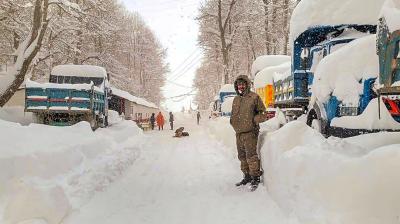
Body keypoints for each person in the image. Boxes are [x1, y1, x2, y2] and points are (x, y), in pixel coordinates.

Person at [230, 75, 267, 190]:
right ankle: (246, 176)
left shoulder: (254, 97)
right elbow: (233, 114)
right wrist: (232, 122)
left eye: (242, 84)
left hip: (250, 132)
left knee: (251, 156)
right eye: (238, 85)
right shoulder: (236, 99)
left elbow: (263, 113)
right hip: (239, 133)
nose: (240, 86)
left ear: (247, 84)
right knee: (242, 157)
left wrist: (254, 120)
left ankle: (255, 178)